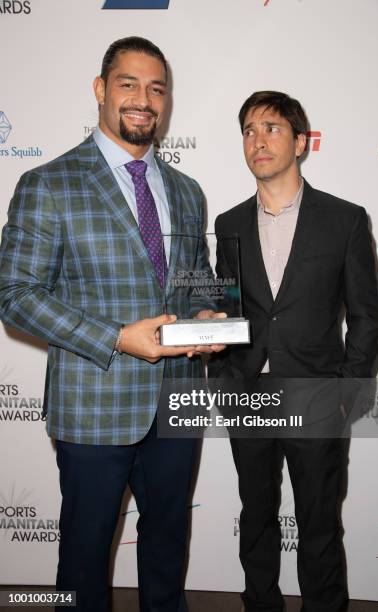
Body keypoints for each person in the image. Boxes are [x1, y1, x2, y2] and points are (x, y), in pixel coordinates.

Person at [0, 36, 223, 612]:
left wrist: (206, 317)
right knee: (85, 551)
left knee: (169, 542)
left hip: (178, 400)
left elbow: (194, 277)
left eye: (156, 88)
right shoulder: (48, 185)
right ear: (101, 90)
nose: (143, 99)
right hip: (94, 403)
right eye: (128, 83)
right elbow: (15, 295)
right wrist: (116, 338)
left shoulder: (186, 191)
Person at [209, 91, 378, 612]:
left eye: (272, 128)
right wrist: (221, 377)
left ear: (301, 142)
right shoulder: (229, 223)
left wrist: (347, 392)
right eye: (248, 130)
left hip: (316, 395)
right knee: (256, 518)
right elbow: (225, 305)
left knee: (319, 522)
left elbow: (367, 317)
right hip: (248, 394)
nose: (258, 140)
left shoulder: (344, 220)